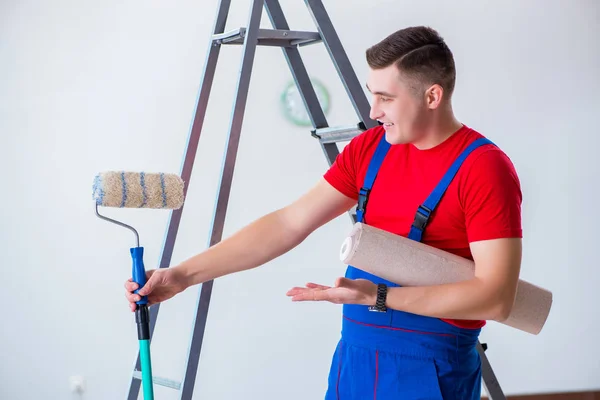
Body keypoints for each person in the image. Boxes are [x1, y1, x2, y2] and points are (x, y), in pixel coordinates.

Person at [125, 26, 523, 399]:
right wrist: (182, 275)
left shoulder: (483, 169)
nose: (373, 111)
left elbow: (496, 298)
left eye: (385, 97)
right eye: (372, 94)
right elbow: (287, 223)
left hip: (429, 370)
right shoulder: (370, 150)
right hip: (355, 358)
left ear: (432, 97)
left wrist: (380, 296)